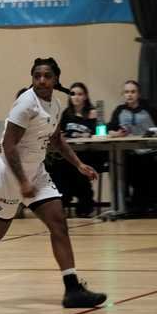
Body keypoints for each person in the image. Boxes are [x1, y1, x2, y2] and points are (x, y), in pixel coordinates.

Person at [0, 58, 108, 308]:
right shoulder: (26, 104)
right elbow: (8, 146)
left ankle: (72, 289)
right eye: (37, 76)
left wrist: (79, 164)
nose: (41, 80)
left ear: (55, 79)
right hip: (9, 175)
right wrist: (22, 181)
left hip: (36, 173)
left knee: (58, 222)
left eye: (47, 76)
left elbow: (56, 140)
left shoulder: (56, 105)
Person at [107, 80, 157, 212]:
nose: (129, 95)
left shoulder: (149, 108)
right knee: (120, 164)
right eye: (126, 92)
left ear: (138, 94)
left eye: (133, 92)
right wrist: (116, 134)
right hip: (128, 152)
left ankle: (147, 202)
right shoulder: (119, 110)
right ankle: (127, 203)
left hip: (151, 150)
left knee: (148, 165)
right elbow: (110, 129)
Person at [46, 82, 102, 217]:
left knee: (78, 167)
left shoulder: (93, 113)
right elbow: (60, 133)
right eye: (73, 94)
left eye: (80, 94)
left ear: (85, 96)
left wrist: (88, 135)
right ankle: (63, 200)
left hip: (88, 152)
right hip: (70, 153)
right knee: (57, 167)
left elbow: (100, 133)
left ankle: (85, 204)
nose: (76, 97)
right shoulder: (67, 113)